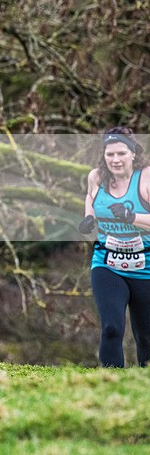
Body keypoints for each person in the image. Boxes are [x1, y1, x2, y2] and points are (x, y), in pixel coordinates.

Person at [79, 127, 150, 367]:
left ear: (133, 153)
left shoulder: (146, 178)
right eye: (110, 154)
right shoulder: (96, 177)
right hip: (107, 263)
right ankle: (111, 383)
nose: (115, 160)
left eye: (121, 153)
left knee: (146, 338)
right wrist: (89, 217)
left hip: (145, 267)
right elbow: (91, 197)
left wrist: (131, 217)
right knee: (111, 328)